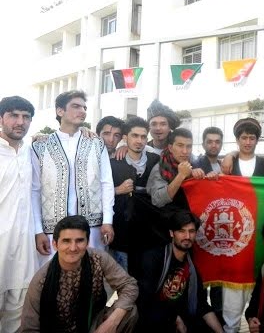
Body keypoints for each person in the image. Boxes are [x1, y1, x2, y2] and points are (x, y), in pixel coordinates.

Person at [32, 90, 115, 266]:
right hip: (52, 229)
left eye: (84, 107)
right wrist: (38, 230)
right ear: (60, 111)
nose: (82, 111)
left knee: (91, 275)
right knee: (54, 279)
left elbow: (106, 183)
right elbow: (35, 190)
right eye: (76, 106)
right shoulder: (40, 146)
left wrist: (108, 221)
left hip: (92, 227)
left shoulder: (96, 143)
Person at [20, 215, 138, 332]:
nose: (73, 248)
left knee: (129, 311)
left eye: (79, 241)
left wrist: (112, 322)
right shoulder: (42, 279)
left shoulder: (98, 258)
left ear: (87, 243)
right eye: (66, 241)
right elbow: (29, 328)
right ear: (55, 244)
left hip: (91, 325)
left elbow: (129, 285)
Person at [136, 209, 224, 333]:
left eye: (191, 231)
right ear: (172, 233)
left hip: (184, 318)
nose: (187, 237)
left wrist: (220, 331)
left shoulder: (192, 265)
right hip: (156, 319)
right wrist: (175, 319)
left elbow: (201, 305)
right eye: (181, 231)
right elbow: (146, 299)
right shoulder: (154, 258)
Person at [223, 117, 264, 333]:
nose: (248, 142)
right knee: (232, 291)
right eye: (244, 138)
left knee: (261, 288)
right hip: (233, 233)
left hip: (259, 232)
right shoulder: (228, 164)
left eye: (252, 138)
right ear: (237, 140)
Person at [0, 96, 38, 333]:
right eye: (14, 115)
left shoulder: (30, 152)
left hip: (24, 248)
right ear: (1, 118)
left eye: (26, 117)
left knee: (18, 316)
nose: (20, 122)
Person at [109, 116, 158, 274]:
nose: (139, 140)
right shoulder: (113, 163)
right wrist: (117, 190)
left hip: (150, 236)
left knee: (146, 284)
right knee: (126, 286)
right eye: (135, 136)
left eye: (143, 136)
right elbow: (97, 192)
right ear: (125, 138)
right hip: (122, 236)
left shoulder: (155, 160)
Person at [192, 126, 224, 321]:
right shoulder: (196, 164)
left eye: (217, 141)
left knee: (219, 282)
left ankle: (219, 319)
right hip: (201, 232)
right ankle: (201, 321)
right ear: (203, 143)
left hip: (221, 232)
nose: (214, 145)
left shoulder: (226, 164)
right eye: (210, 141)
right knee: (201, 280)